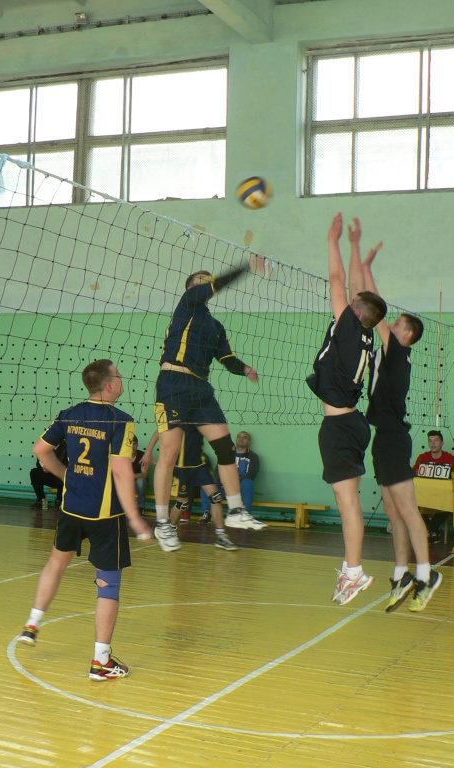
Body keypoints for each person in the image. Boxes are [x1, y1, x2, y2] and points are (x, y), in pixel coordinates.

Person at [16, 359, 152, 681]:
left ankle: (33, 624)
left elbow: (41, 450)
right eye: (119, 375)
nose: (123, 378)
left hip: (72, 507)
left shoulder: (70, 414)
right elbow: (122, 472)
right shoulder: (121, 421)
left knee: (56, 562)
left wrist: (66, 475)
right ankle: (100, 662)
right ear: (109, 385)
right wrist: (135, 518)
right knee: (109, 584)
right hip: (106, 515)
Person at [152, 263, 266, 553]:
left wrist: (246, 369)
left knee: (226, 448)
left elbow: (227, 359)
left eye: (207, 280)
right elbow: (216, 284)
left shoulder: (215, 327)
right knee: (169, 454)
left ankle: (236, 510)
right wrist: (248, 267)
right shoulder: (187, 303)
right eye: (201, 280)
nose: (206, 283)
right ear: (192, 288)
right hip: (174, 383)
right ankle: (163, 521)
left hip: (201, 389)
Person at [306, 213, 387, 606]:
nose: (349, 301)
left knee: (347, 504)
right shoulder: (366, 333)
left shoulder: (351, 327)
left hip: (340, 427)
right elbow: (356, 289)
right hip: (352, 423)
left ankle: (355, 572)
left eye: (352, 304)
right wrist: (355, 246)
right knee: (349, 501)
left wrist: (333, 240)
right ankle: (351, 569)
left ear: (355, 314)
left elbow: (339, 281)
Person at [362, 240, 442, 612]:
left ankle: (427, 574)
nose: (390, 325)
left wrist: (366, 266)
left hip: (393, 438)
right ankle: (401, 574)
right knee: (393, 514)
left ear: (406, 335)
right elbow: (377, 311)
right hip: (382, 438)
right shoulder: (392, 354)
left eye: (397, 325)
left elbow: (376, 308)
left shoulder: (398, 352)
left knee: (408, 511)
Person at [413, 430, 454, 542]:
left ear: (442, 443)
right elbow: (413, 476)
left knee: (452, 504)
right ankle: (433, 531)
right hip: (424, 497)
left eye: (436, 440)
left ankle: (430, 530)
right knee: (412, 504)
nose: (433, 443)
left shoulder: (450, 458)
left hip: (443, 498)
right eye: (430, 441)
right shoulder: (422, 457)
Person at [29, 441, 67, 509]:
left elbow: (67, 465)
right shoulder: (45, 447)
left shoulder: (66, 448)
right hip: (49, 475)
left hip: (60, 477)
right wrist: (43, 467)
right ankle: (41, 499)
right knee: (34, 472)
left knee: (61, 474)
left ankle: (59, 500)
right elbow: (39, 462)